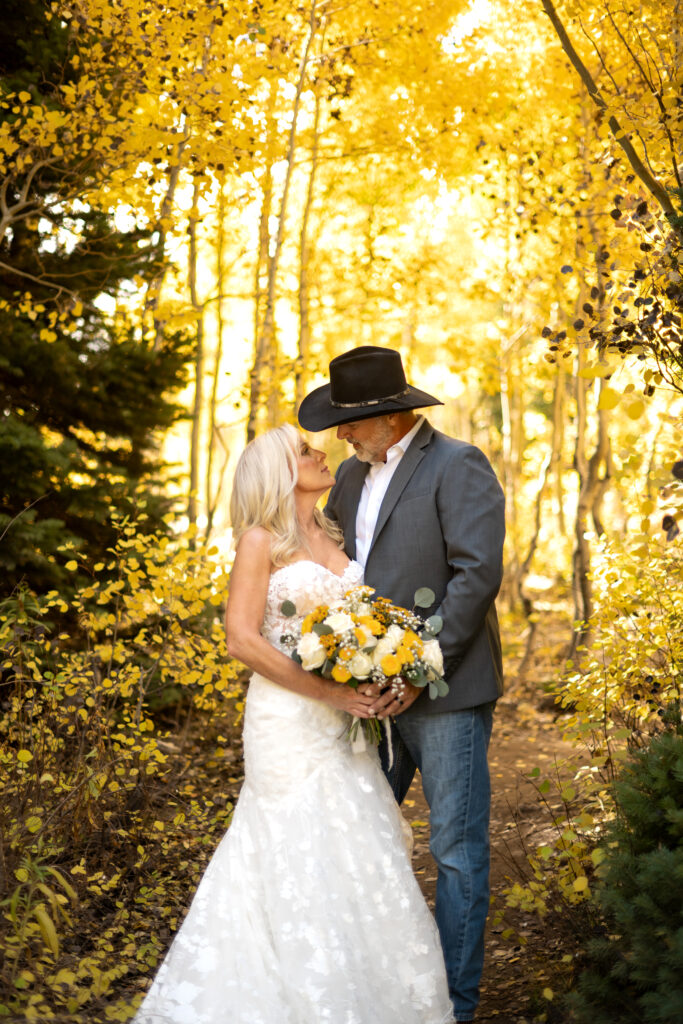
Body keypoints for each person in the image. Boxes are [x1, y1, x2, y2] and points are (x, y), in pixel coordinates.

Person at [133, 424, 456, 1024]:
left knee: (358, 849)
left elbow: (357, 625)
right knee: (291, 850)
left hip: (343, 724)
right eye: (306, 451)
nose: (321, 453)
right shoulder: (260, 541)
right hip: (287, 721)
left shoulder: (333, 530)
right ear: (281, 473)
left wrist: (375, 667)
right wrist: (330, 689)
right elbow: (241, 639)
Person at [298, 346, 505, 1023]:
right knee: (357, 842)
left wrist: (418, 669)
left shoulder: (457, 465)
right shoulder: (351, 479)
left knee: (454, 852)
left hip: (444, 694)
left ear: (387, 417)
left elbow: (475, 575)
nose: (340, 436)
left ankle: (455, 1006)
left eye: (348, 422)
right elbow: (340, 573)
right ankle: (374, 994)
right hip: (366, 698)